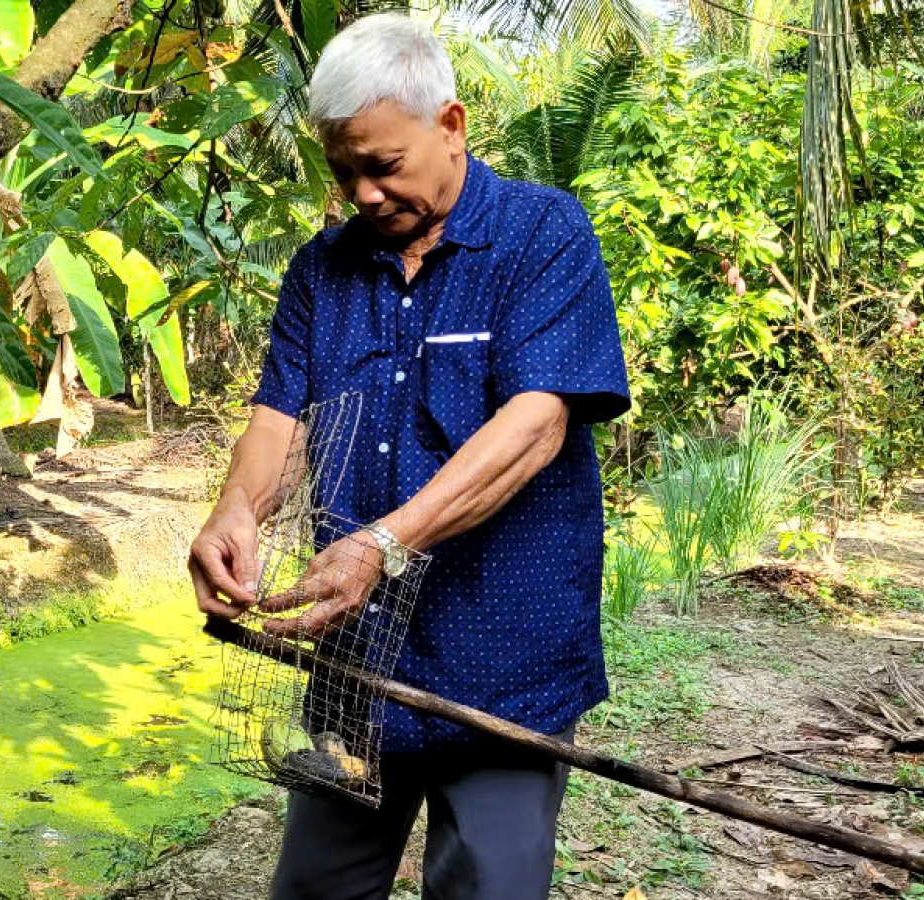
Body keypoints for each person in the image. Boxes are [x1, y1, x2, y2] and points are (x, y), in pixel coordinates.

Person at [186, 13, 632, 900]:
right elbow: (281, 417)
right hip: (357, 660)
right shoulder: (324, 268)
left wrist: (381, 546)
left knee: (486, 890)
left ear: (451, 127)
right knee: (316, 889)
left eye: (383, 165)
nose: (361, 192)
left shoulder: (543, 236)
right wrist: (234, 511)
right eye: (343, 169)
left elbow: (536, 425)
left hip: (502, 665)